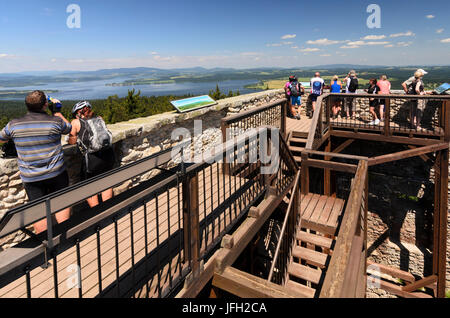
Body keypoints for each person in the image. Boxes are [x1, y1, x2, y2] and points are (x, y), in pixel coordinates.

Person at [0, 91, 72, 234]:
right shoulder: (55, 121)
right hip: (56, 173)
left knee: (37, 211)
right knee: (62, 203)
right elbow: (68, 128)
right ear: (45, 105)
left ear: (27, 106)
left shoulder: (14, 124)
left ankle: (45, 243)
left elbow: (2, 139)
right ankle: (65, 236)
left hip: (31, 177)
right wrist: (57, 111)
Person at [68, 101, 115, 207]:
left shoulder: (76, 122)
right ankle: (108, 208)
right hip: (108, 154)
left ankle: (97, 212)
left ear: (79, 112)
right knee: (106, 182)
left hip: (92, 159)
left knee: (88, 186)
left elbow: (72, 141)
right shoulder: (99, 118)